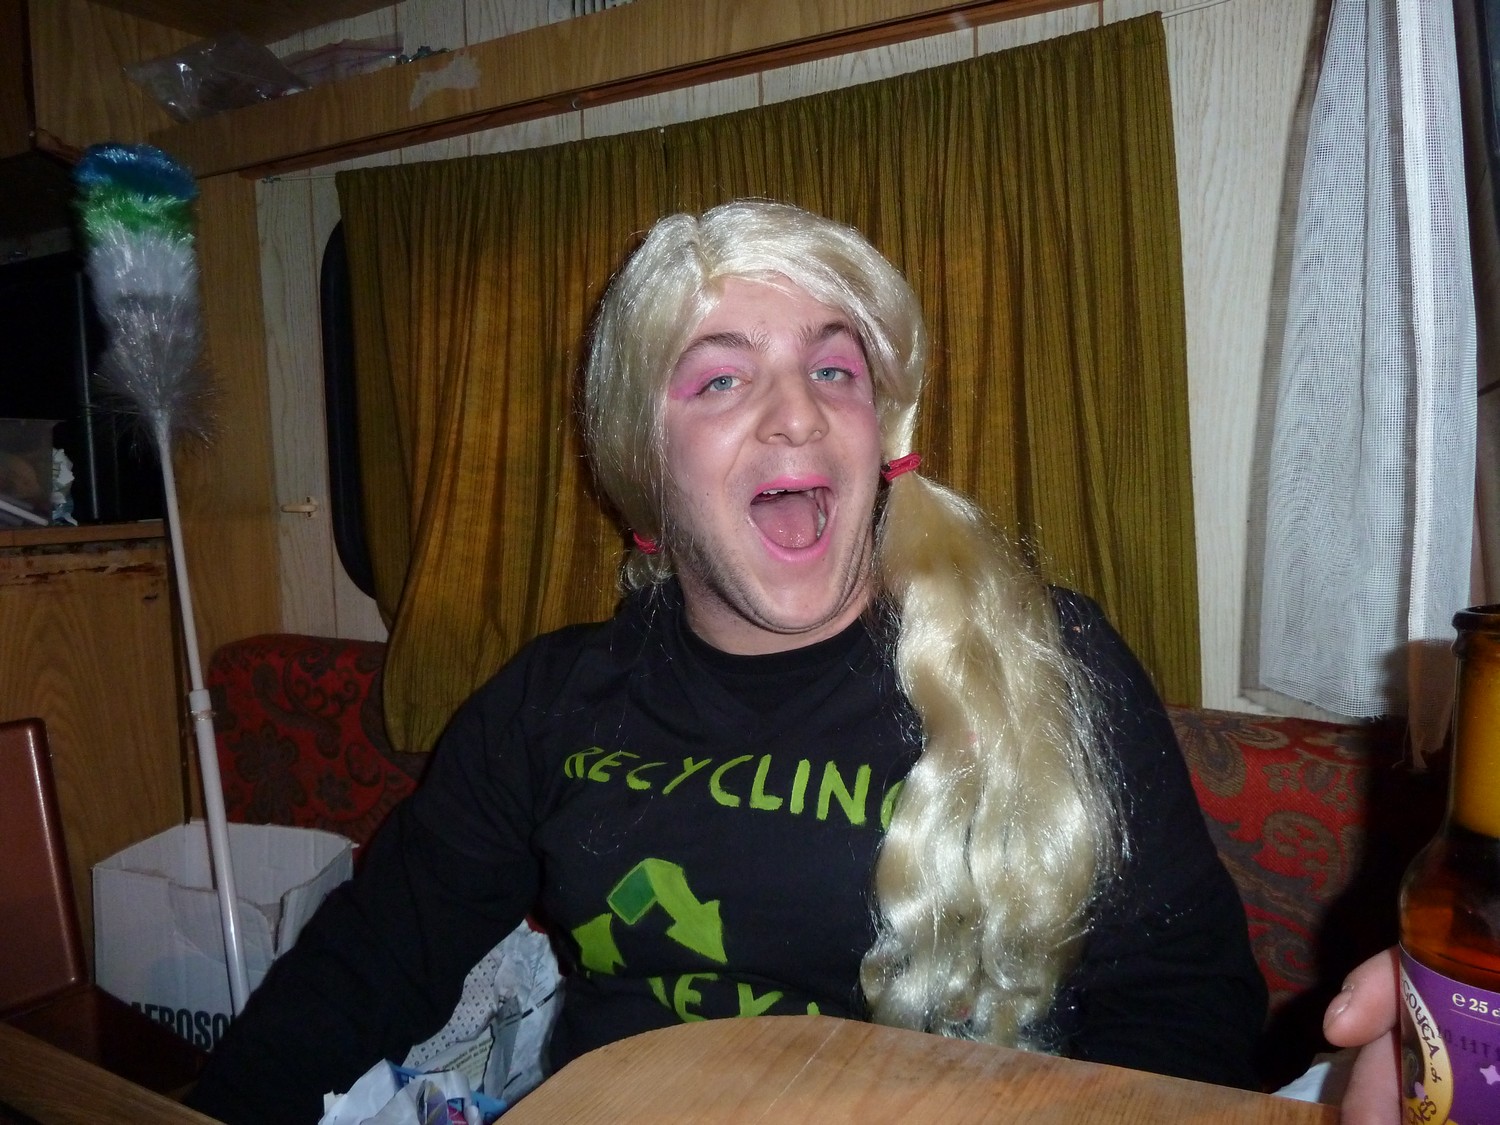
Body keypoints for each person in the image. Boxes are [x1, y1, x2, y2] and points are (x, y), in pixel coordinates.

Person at [186, 200, 1265, 1123]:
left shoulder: (1039, 658)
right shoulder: (551, 702)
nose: (797, 414)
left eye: (834, 369)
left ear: (881, 435)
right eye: (719, 381)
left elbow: (1183, 1006)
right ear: (644, 460)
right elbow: (371, 964)